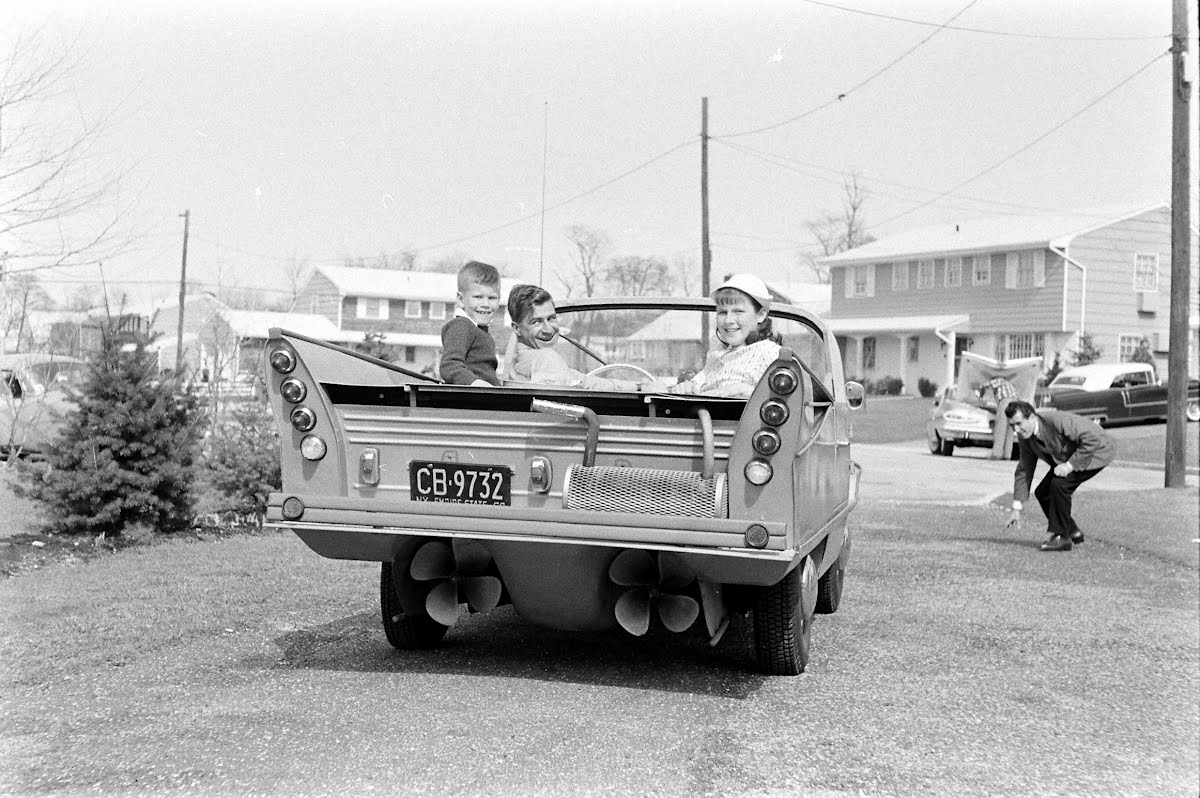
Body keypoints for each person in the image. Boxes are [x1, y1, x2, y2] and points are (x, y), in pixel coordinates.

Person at [504, 284, 667, 392]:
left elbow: (584, 382)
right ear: (517, 329)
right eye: (536, 322)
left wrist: (640, 387)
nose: (548, 329)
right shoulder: (545, 358)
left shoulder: (526, 361)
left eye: (551, 318)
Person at [1003, 400, 1116, 552]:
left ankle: (1062, 537)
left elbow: (1092, 439)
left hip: (1097, 452)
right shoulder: (1026, 438)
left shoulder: (1057, 421)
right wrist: (1017, 507)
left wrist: (1070, 466)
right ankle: (1072, 531)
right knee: (1043, 492)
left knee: (1059, 485)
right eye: (1012, 426)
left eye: (1018, 423)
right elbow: (1025, 469)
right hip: (1068, 458)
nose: (1016, 430)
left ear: (1031, 417)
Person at [667, 273, 782, 399]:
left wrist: (749, 392)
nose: (728, 320)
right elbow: (695, 389)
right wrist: (685, 388)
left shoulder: (769, 353)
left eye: (738, 311)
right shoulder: (716, 355)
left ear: (760, 315)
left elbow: (789, 400)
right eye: (722, 312)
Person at [439, 260, 502, 386]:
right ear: (461, 299)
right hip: (469, 399)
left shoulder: (479, 330)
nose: (486, 304)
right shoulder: (461, 325)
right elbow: (450, 365)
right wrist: (474, 383)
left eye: (492, 298)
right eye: (478, 297)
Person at [986, 376, 1017, 460]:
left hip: (1005, 401)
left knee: (1000, 428)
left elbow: (988, 385)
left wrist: (981, 389)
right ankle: (1007, 455)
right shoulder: (1009, 384)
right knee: (1009, 429)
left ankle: (996, 454)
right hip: (1014, 403)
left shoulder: (998, 380)